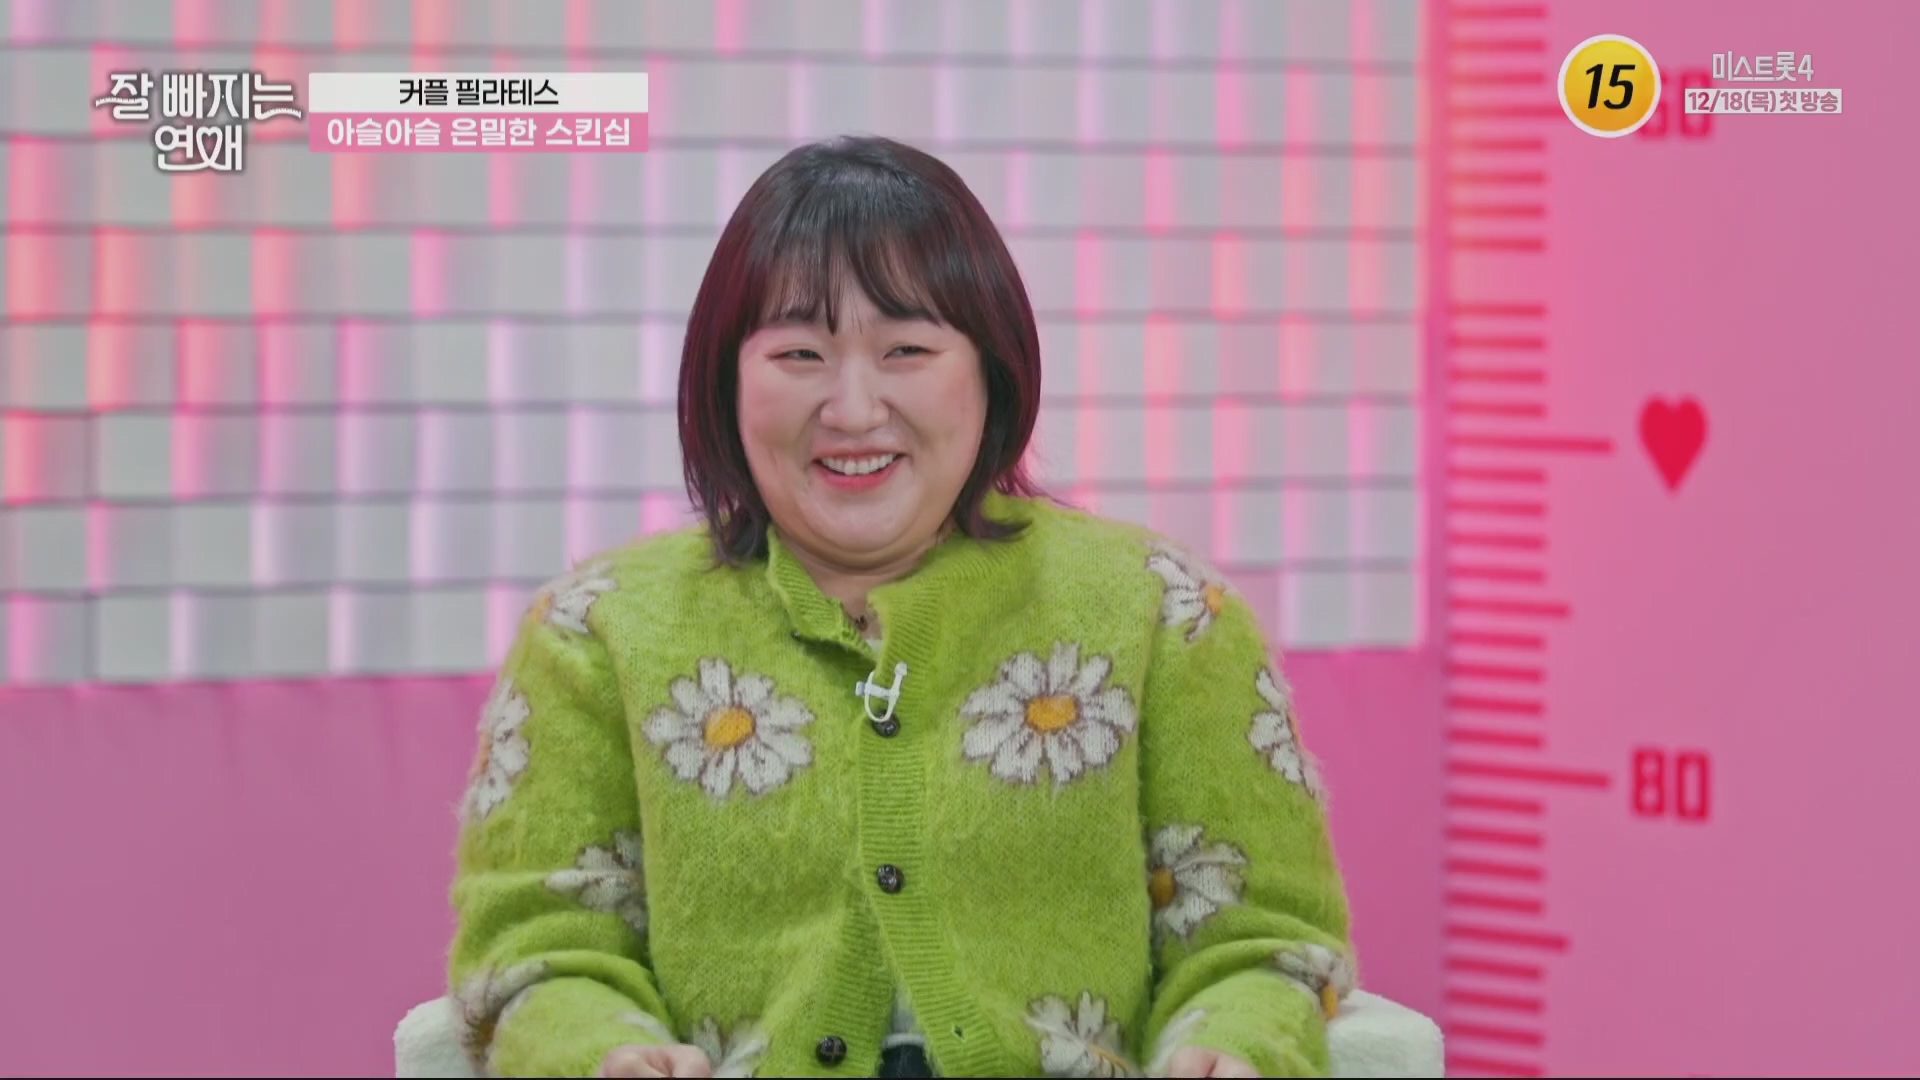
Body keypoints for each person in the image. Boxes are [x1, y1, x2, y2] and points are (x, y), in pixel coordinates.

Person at [446, 134, 1357, 1079]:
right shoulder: (595, 632)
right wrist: (602, 1051)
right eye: (800, 353)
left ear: (990, 369)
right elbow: (537, 950)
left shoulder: (1166, 614)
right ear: (728, 380)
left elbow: (1262, 945)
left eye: (907, 350)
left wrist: (1233, 1047)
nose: (853, 409)